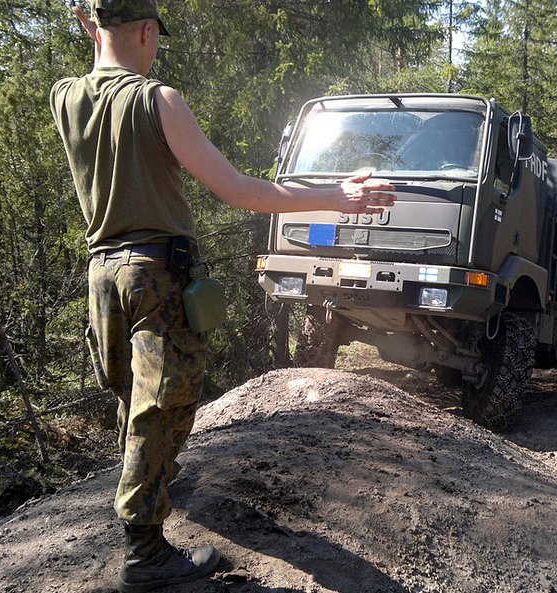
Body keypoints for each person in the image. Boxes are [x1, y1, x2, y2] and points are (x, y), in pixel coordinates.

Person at [49, 2, 395, 591]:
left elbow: (99, 52)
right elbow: (236, 189)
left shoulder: (66, 96)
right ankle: (145, 556)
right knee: (161, 406)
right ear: (145, 31)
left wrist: (96, 24)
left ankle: (150, 500)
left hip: (101, 275)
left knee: (130, 398)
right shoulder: (158, 100)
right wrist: (339, 196)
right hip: (155, 272)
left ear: (92, 26)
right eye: (155, 36)